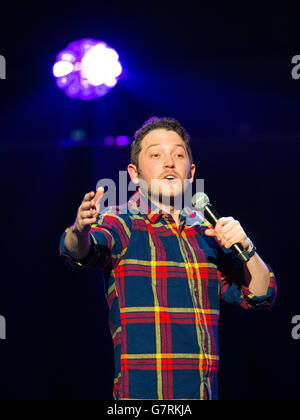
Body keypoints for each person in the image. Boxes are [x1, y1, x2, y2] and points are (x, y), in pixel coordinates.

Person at [59, 116, 276, 400]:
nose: (169, 162)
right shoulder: (120, 221)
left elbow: (262, 294)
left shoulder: (207, 230)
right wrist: (80, 229)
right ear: (134, 174)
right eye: (156, 155)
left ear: (190, 172)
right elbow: (76, 250)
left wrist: (246, 247)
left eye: (178, 154)